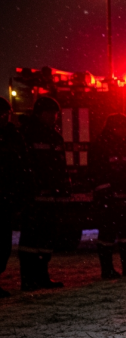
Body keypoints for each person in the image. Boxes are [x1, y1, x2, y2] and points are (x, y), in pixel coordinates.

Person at [18, 96, 68, 291]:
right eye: (49, 113)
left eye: (55, 114)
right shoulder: (27, 135)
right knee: (30, 238)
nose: (53, 117)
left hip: (50, 197)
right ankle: (28, 279)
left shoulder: (55, 137)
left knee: (46, 238)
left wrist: (64, 188)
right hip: (34, 197)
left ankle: (42, 276)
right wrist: (29, 189)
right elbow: (23, 166)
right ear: (39, 114)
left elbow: (60, 166)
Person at [89, 114, 126, 279]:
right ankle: (107, 269)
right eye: (120, 127)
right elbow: (97, 172)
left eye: (125, 127)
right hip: (110, 200)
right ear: (112, 127)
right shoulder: (100, 147)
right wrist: (106, 193)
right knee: (107, 235)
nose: (123, 130)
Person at [0, 98, 25, 297]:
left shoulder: (13, 137)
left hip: (6, 198)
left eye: (5, 114)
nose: (3, 118)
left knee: (3, 243)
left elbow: (21, 168)